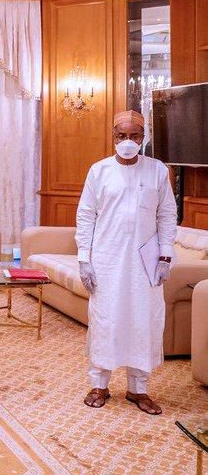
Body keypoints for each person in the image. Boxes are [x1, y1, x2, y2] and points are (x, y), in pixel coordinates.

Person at [76, 110, 176, 415]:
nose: (128, 141)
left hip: (145, 262)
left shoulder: (157, 170)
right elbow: (86, 215)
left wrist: (165, 255)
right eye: (122, 136)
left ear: (143, 138)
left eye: (134, 136)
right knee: (105, 319)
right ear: (113, 137)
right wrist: (84, 259)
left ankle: (138, 388)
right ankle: (99, 384)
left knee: (143, 320)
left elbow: (167, 214)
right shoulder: (99, 171)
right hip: (106, 259)